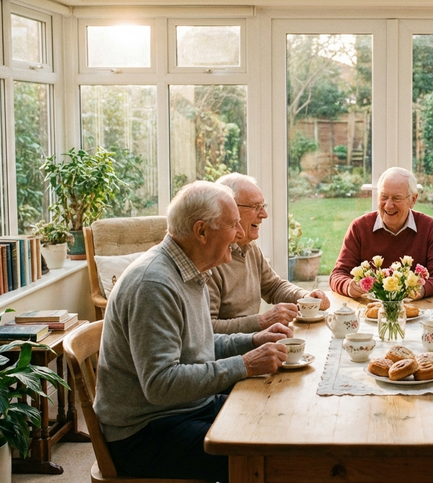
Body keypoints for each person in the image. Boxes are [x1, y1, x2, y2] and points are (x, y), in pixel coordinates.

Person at [94, 181, 293, 481]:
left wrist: (252, 340)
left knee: (278, 419)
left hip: (188, 409)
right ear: (201, 232)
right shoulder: (154, 285)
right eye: (233, 226)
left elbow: (199, 343)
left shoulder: (191, 270)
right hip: (147, 433)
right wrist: (246, 364)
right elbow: (160, 383)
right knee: (270, 455)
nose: (240, 234)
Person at [208, 173, 330, 334]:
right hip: (234, 354)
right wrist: (263, 321)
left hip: (253, 343)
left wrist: (306, 296)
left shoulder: (249, 247)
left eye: (263, 206)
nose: (264, 215)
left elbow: (273, 286)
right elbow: (208, 330)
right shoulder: (210, 259)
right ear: (230, 209)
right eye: (255, 207)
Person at [330, 167, 433, 299]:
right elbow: (338, 274)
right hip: (370, 312)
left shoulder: (429, 227)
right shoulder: (359, 227)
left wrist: (422, 289)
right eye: (384, 197)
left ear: (413, 200)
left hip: (416, 312)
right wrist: (348, 286)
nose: (388, 205)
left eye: (396, 198)